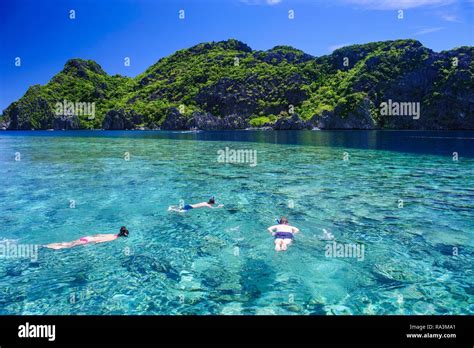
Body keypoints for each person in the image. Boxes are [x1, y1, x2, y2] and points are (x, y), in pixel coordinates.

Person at [44, 226, 129, 250]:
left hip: (87, 238)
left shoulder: (112, 234)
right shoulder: (114, 238)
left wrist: (92, 239)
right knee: (68, 246)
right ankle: (47, 247)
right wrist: (94, 244)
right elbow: (101, 241)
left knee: (67, 243)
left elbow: (98, 234)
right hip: (88, 241)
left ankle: (46, 245)